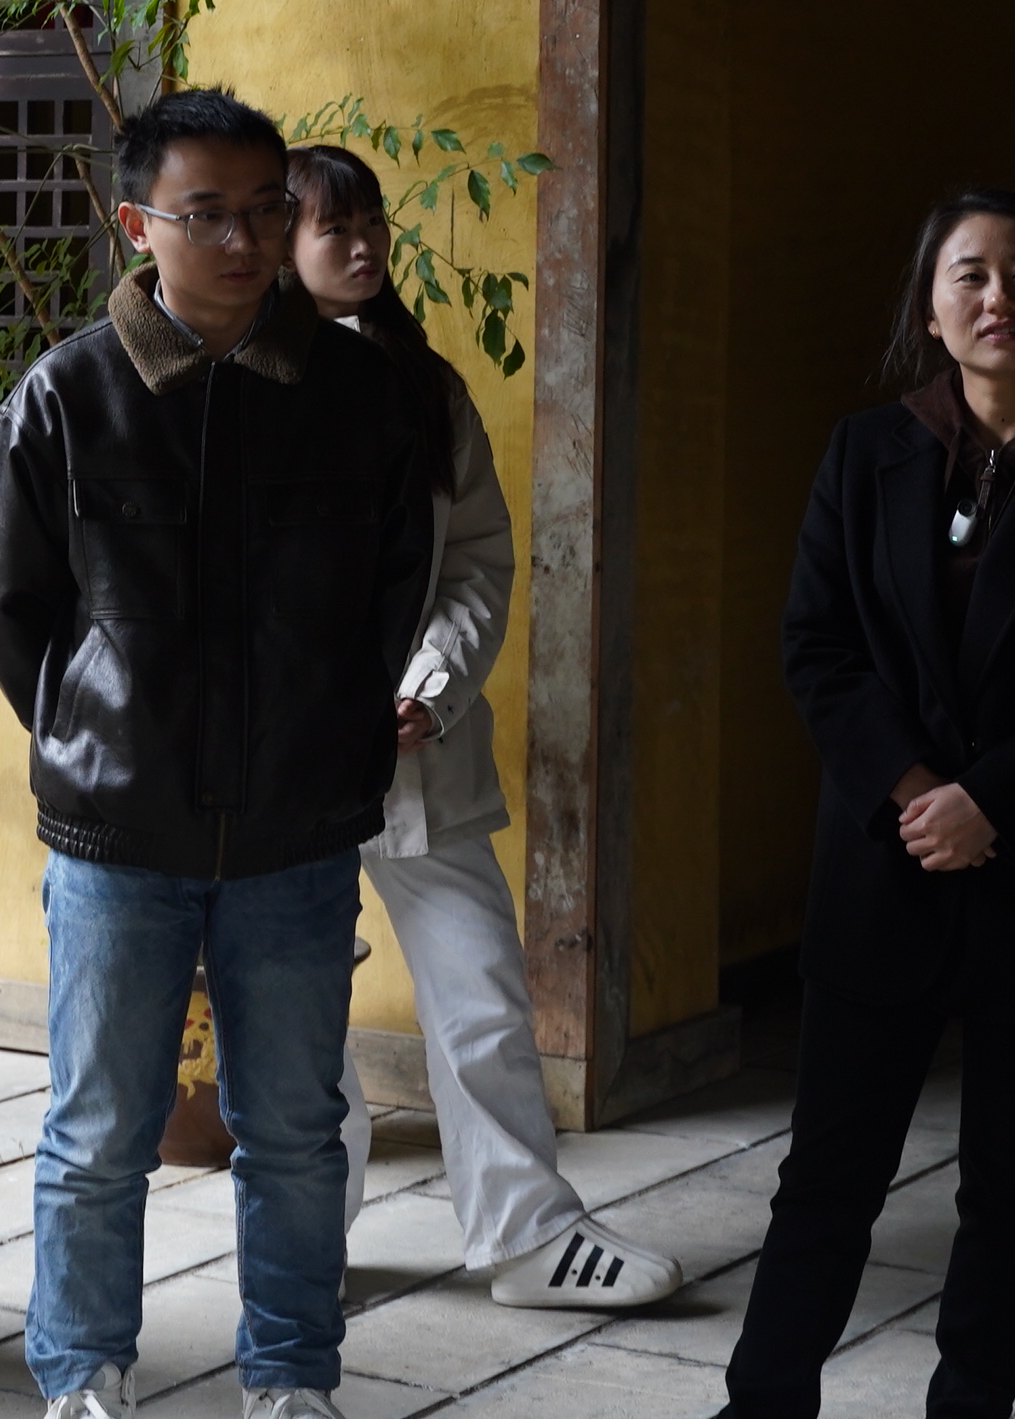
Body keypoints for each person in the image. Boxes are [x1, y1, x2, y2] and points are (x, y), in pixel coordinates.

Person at [0, 90, 432, 1419]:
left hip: (295, 830)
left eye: (265, 211)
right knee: (98, 1130)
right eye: (207, 214)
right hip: (120, 833)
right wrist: (95, 731)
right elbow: (13, 608)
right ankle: (83, 1374)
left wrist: (331, 733)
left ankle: (290, 1375)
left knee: (293, 1129)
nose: (244, 241)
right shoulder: (68, 397)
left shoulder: (358, 395)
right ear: (137, 225)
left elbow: (392, 591)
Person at [722, 189, 1015, 1419]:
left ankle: (974, 1402)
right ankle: (764, 1398)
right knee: (830, 1168)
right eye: (969, 273)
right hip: (887, 854)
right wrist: (919, 786)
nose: (998, 296)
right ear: (930, 310)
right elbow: (818, 644)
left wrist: (996, 797)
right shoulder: (864, 451)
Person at [280, 144, 683, 1312]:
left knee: (484, 996)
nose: (363, 243)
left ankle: (527, 1234)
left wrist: (430, 685)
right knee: (299, 1020)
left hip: (421, 752)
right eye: (334, 225)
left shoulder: (427, 390)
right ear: (283, 247)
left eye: (372, 220)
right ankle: (302, 1248)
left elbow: (477, 560)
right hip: (286, 767)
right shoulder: (243, 388)